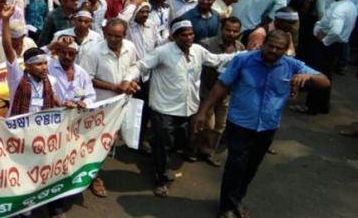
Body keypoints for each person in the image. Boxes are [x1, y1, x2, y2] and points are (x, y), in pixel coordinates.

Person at [195, 30, 329, 218]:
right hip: (240, 123)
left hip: (267, 126)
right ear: (264, 44)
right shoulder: (244, 60)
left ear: (286, 50)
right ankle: (226, 207)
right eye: (270, 46)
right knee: (236, 165)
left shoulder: (292, 65)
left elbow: (325, 82)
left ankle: (237, 199)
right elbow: (221, 85)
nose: (273, 51)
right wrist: (203, 111)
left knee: (251, 166)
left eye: (279, 48)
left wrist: (309, 77)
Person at [136, 19, 241, 197]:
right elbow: (141, 66)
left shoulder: (198, 51)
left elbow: (216, 59)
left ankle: (157, 147)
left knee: (180, 141)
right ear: (174, 36)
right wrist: (128, 81)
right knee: (164, 144)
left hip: (189, 108)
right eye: (184, 35)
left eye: (191, 34)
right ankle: (161, 179)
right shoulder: (162, 52)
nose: (189, 38)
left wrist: (243, 56)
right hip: (164, 109)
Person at [193, 16, 245, 166]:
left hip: (226, 93)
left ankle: (208, 151)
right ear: (221, 29)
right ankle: (193, 148)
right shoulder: (207, 45)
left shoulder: (240, 48)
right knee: (206, 123)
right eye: (228, 30)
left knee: (220, 125)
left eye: (235, 31)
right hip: (207, 91)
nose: (231, 33)